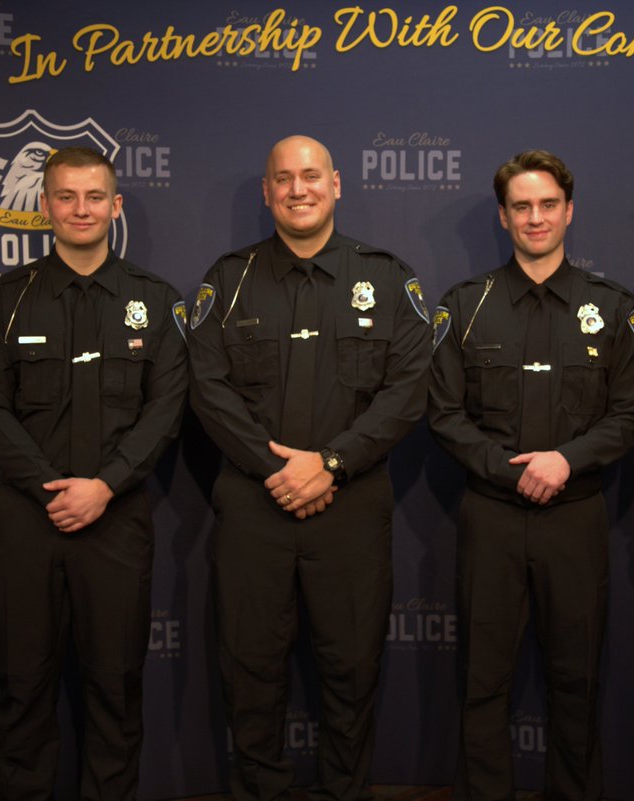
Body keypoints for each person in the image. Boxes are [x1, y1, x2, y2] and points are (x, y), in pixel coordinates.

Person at [186, 135, 430, 801]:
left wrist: (331, 462)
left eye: (311, 176)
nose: (299, 189)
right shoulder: (227, 281)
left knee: (351, 668)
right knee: (250, 667)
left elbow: (409, 387)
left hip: (349, 504)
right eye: (284, 178)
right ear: (266, 191)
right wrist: (280, 468)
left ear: (337, 184)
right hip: (253, 502)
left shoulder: (386, 278)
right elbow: (206, 386)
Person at [0, 146, 189, 801]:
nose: (81, 209)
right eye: (66, 196)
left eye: (94, 197)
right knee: (24, 682)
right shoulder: (2, 302)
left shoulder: (155, 301)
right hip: (30, 520)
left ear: (115, 206)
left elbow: (166, 408)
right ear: (45, 206)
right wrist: (50, 487)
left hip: (117, 519)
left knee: (115, 685)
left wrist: (106, 484)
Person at [428, 150, 634, 801]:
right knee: (482, 681)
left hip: (576, 516)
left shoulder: (612, 307)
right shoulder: (465, 306)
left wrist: (567, 460)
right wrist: (507, 469)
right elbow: (442, 413)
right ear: (503, 216)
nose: (535, 217)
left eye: (548, 204)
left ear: (569, 210)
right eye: (521, 206)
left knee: (577, 681)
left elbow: (632, 411)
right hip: (491, 516)